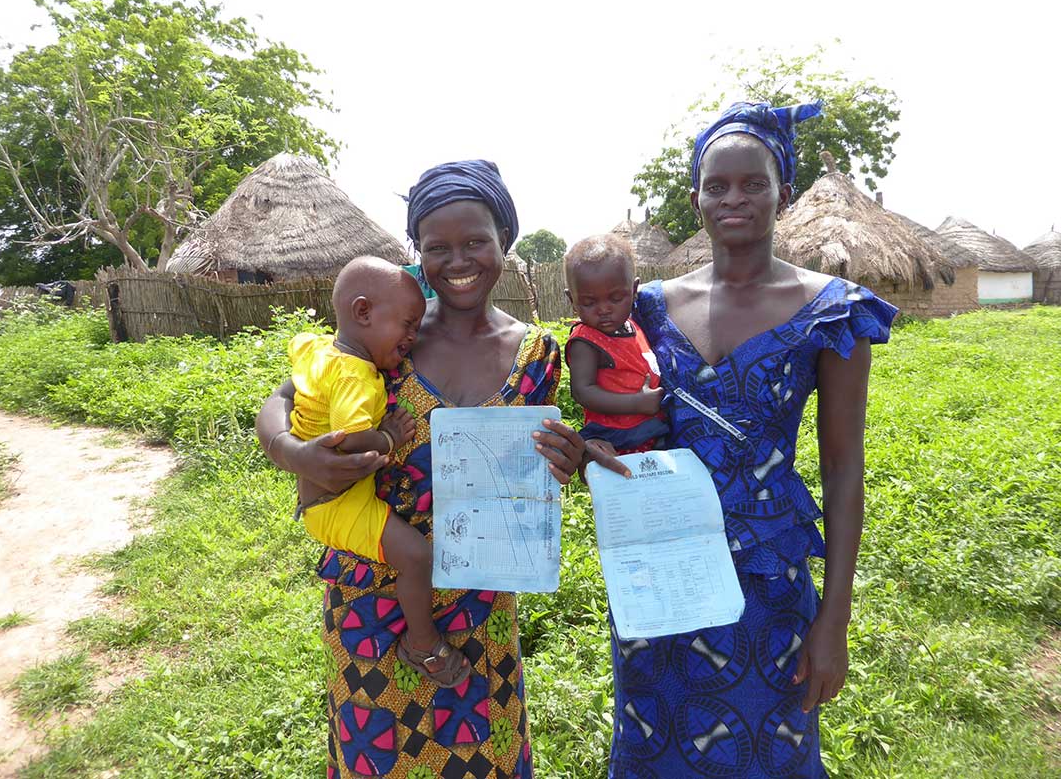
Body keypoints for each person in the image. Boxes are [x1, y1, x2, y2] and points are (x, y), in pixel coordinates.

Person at [256, 160, 611, 779]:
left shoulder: (536, 353)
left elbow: (533, 463)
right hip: (372, 590)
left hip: (482, 595)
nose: (458, 259)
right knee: (378, 755)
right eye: (436, 246)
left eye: (476, 241)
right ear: (417, 252)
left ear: (506, 241)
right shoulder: (392, 334)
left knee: (487, 752)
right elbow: (283, 399)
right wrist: (292, 452)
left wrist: (565, 460)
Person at [599, 101, 898, 778]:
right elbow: (618, 422)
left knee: (770, 752)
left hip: (768, 588)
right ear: (697, 197)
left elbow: (844, 471)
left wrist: (834, 621)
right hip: (661, 577)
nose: (734, 198)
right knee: (655, 750)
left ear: (783, 194)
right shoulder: (646, 306)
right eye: (717, 185)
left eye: (753, 183)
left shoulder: (833, 312)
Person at [286, 256, 472, 688]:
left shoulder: (319, 350)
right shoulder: (356, 376)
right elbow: (349, 440)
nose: (412, 336)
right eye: (407, 324)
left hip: (327, 498)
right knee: (416, 557)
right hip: (339, 502)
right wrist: (388, 437)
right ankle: (422, 643)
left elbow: (295, 370)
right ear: (364, 311)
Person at [563, 234, 668, 454]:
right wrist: (638, 403)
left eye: (616, 298)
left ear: (634, 290)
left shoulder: (633, 326)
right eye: (589, 302)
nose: (604, 309)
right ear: (572, 300)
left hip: (646, 430)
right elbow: (583, 392)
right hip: (614, 438)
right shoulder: (586, 340)